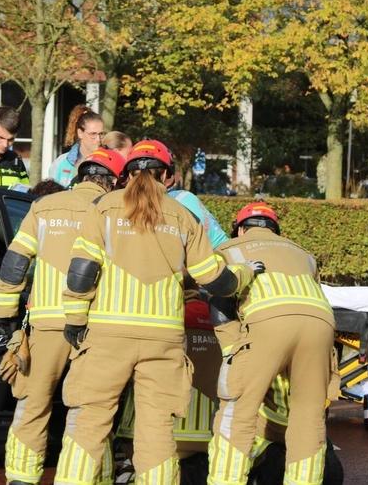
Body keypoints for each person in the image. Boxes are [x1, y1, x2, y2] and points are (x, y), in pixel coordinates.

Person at [54, 139, 263, 485]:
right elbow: (214, 278)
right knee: (157, 431)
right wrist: (245, 274)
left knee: (89, 422)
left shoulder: (104, 207)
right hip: (164, 340)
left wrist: (75, 319)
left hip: (107, 335)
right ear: (167, 175)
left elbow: (81, 271)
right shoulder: (183, 216)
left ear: (125, 175)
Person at [0, 148, 127, 485]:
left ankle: (22, 479)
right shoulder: (114, 212)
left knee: (32, 405)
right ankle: (91, 478)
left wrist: (7, 313)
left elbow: (15, 263)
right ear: (113, 181)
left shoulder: (43, 207)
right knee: (91, 412)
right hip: (95, 327)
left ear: (80, 174)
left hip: (46, 324)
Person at [207, 202, 336, 485]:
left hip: (268, 321)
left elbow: (219, 299)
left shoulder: (229, 249)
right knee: (309, 419)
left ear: (240, 229)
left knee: (238, 411)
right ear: (275, 229)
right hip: (321, 324)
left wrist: (232, 351)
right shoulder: (304, 254)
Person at [48, 105, 105, 187]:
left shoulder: (108, 164)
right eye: (93, 134)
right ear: (80, 133)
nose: (98, 139)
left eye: (101, 134)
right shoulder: (61, 163)